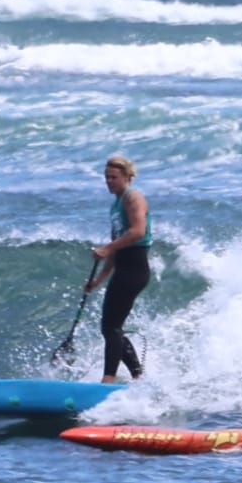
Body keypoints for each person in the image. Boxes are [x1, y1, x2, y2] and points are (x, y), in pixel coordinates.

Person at [86, 154, 150, 383]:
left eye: (113, 177)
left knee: (111, 327)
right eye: (106, 177)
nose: (108, 182)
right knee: (110, 327)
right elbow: (114, 251)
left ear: (126, 177)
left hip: (135, 268)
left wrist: (106, 247)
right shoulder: (115, 205)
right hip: (123, 268)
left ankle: (108, 380)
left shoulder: (133, 198)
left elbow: (138, 232)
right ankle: (138, 375)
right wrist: (98, 281)